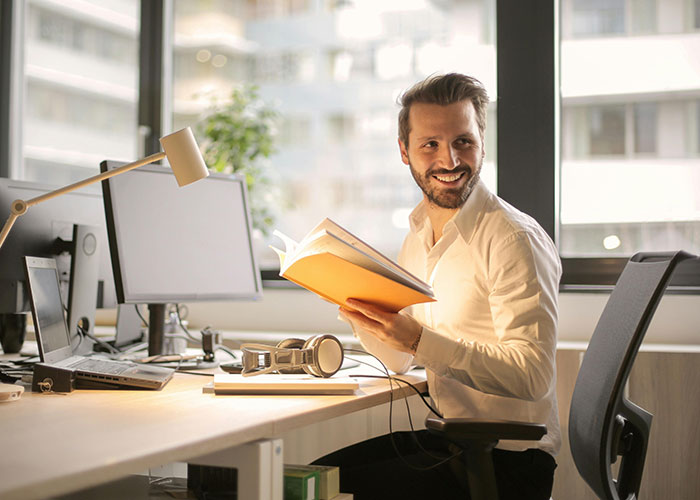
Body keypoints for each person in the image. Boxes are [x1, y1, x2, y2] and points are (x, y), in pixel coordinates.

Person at [314, 73, 562, 500]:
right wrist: (357, 309)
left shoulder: (512, 239)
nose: (449, 160)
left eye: (463, 141)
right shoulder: (418, 234)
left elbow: (533, 375)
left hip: (508, 461)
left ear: (482, 141)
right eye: (430, 144)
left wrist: (420, 339)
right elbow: (398, 361)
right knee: (313, 477)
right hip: (454, 443)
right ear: (404, 152)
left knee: (314, 490)